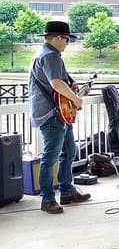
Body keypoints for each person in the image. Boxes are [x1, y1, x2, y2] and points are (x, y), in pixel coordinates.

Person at [29, 21, 91, 214]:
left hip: (58, 113)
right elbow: (56, 83)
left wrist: (73, 94)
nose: (67, 44)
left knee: (69, 150)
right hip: (52, 115)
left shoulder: (45, 54)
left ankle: (67, 191)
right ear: (57, 38)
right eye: (66, 40)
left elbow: (59, 85)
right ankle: (47, 199)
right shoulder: (50, 56)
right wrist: (76, 100)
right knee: (50, 157)